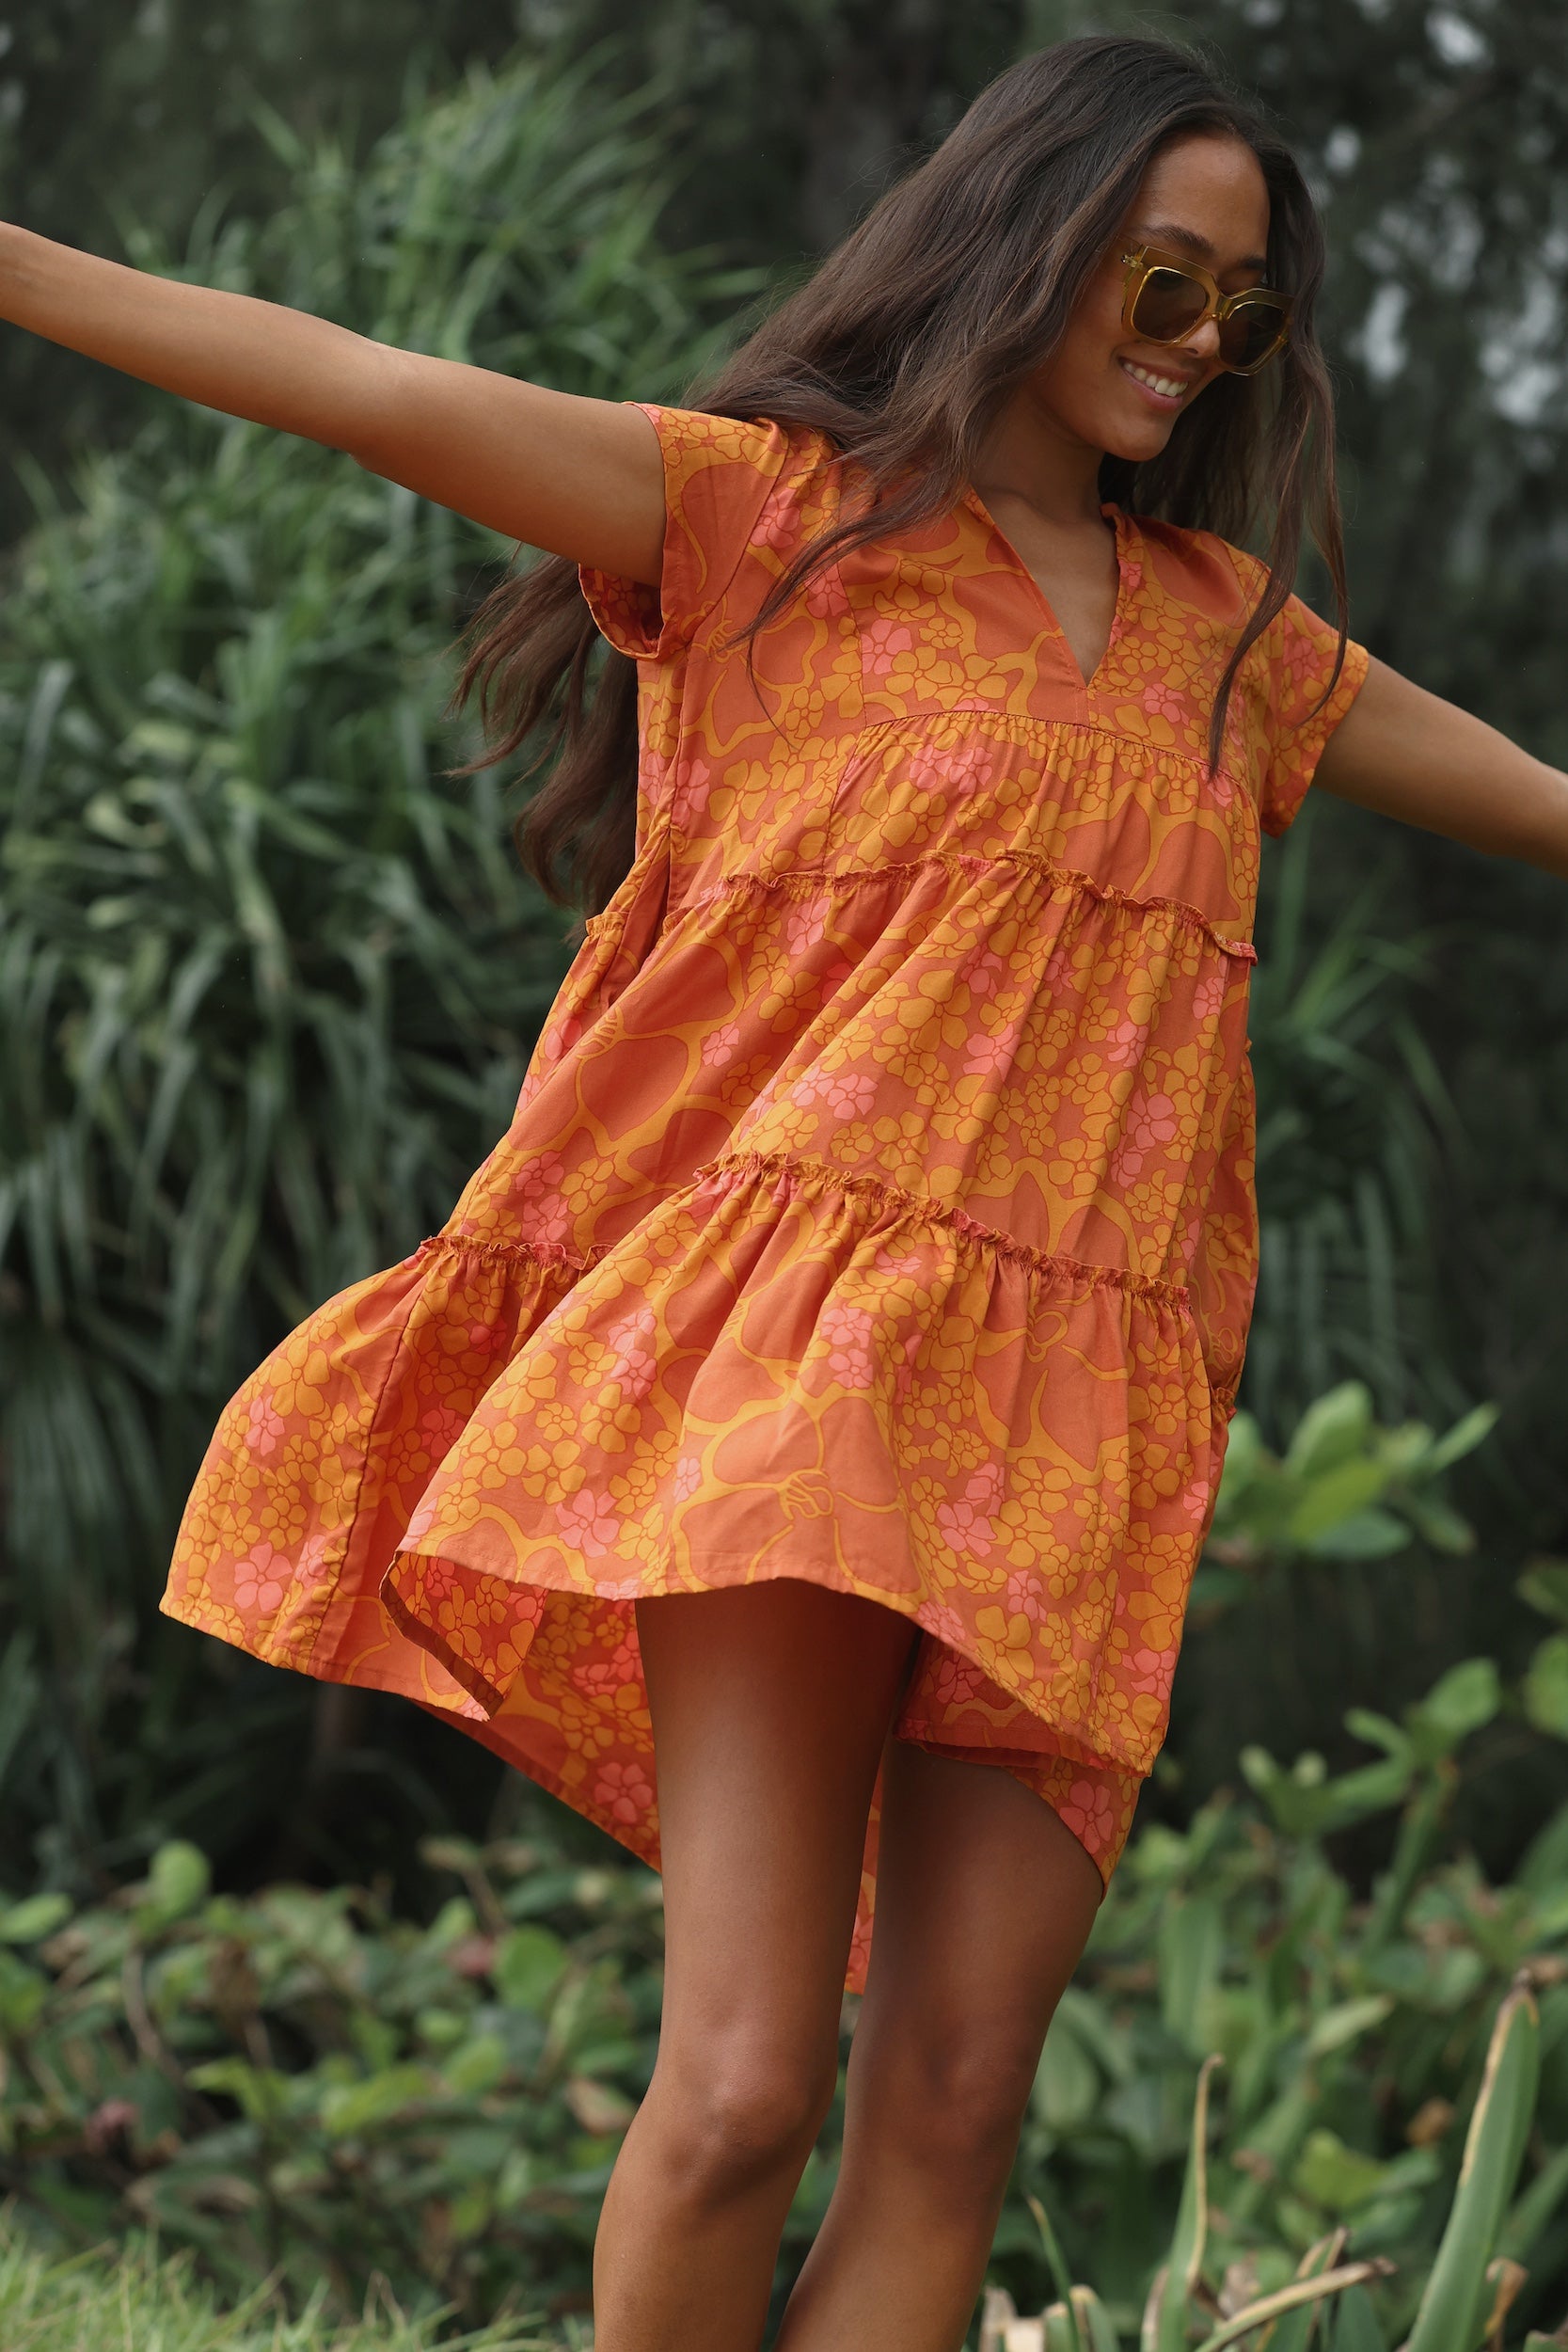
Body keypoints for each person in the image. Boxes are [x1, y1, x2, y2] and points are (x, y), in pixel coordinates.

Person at [5, 29, 1564, 2352]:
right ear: (1027, 245)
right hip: (793, 1374)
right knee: (741, 2087)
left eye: (1243, 312)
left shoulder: (1243, 647)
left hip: (1080, 1412)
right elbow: (352, 373)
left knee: (953, 2098)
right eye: (1160, 280)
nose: (1199, 347)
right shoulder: (769, 514)